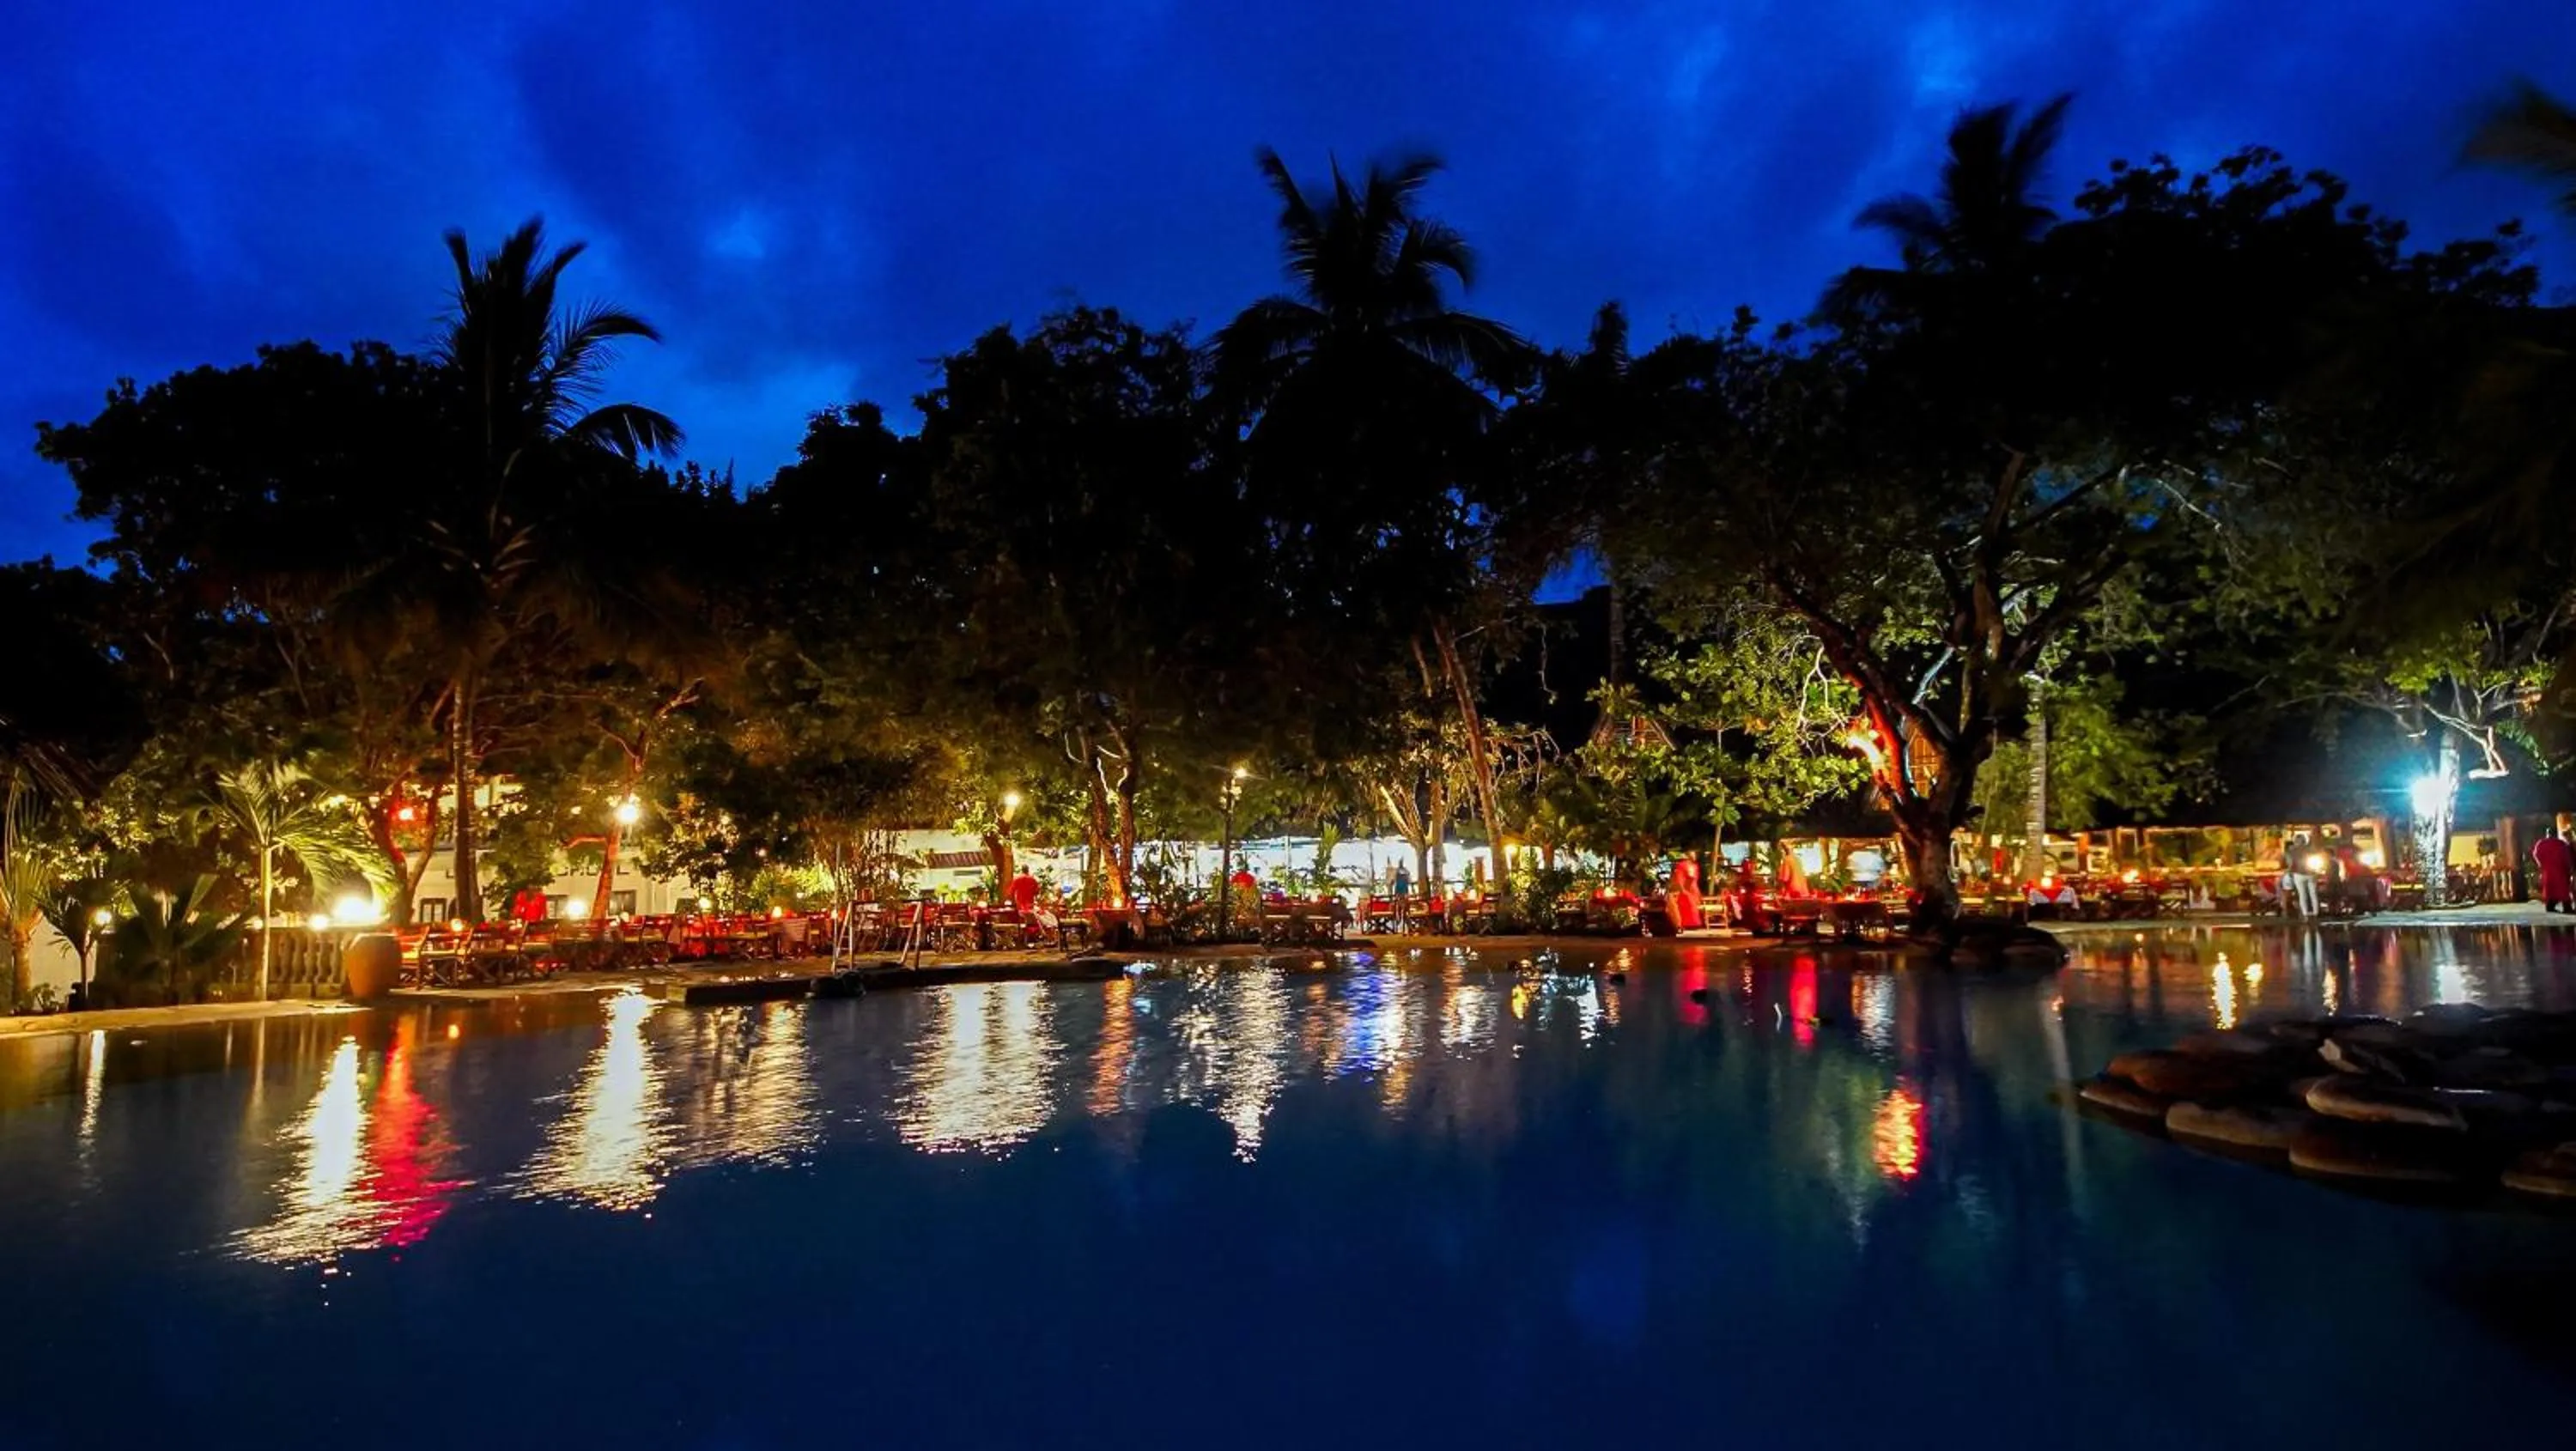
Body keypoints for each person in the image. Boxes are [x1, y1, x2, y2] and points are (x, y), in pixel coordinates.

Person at [2533, 826, 2575, 914]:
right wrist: (2570, 867)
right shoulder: (2561, 844)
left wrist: (2541, 865)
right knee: (2563, 889)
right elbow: (2567, 857)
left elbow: (2536, 854)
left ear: (2547, 834)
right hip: (2560, 870)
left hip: (2547, 870)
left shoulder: (2540, 844)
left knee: (2550, 890)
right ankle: (2566, 907)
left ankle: (2550, 906)